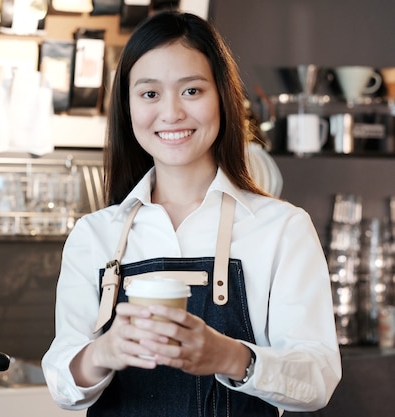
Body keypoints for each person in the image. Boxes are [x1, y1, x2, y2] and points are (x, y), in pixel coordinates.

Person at [41, 10, 341, 417]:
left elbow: (318, 380)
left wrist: (230, 357)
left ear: (222, 97)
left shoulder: (281, 228)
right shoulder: (94, 235)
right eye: (150, 94)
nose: (171, 113)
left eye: (192, 91)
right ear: (128, 108)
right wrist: (103, 352)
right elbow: (62, 384)